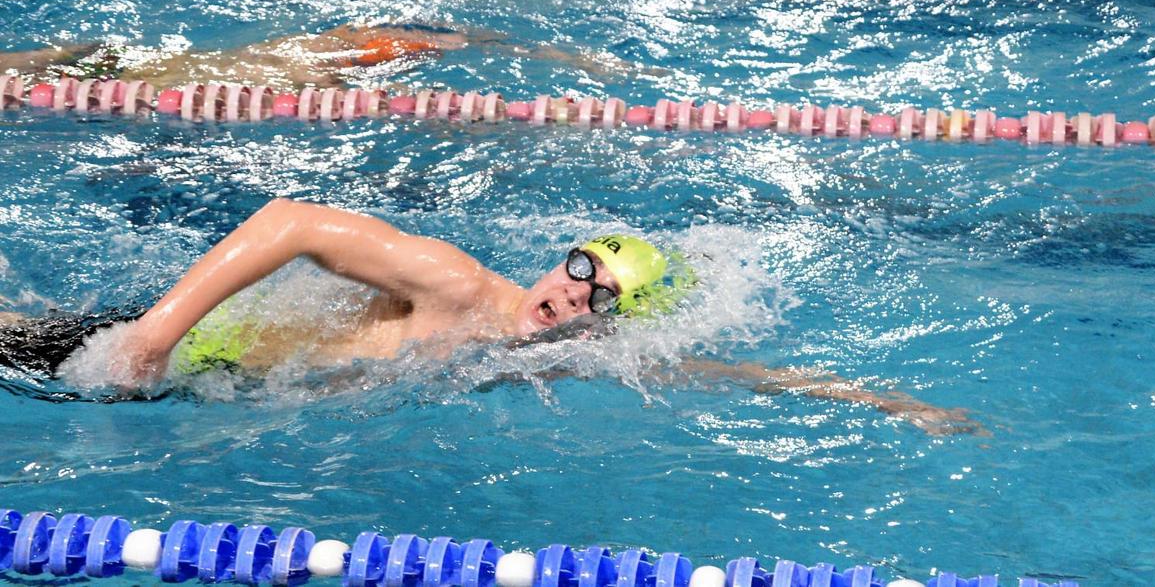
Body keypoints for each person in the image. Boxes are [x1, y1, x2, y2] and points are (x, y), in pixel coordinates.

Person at [1, 198, 983, 434]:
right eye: (578, 268)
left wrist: (885, 401)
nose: (572, 294)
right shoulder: (456, 285)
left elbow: (712, 376)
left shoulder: (546, 361)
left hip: (201, 397)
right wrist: (155, 337)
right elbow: (289, 219)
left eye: (603, 297)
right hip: (156, 358)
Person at [0, 23, 640, 90]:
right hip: (131, 75)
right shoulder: (348, 54)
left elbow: (476, 39)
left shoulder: (343, 56)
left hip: (137, 74)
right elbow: (476, 39)